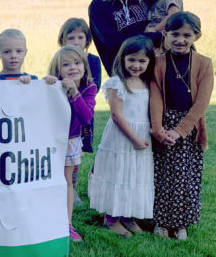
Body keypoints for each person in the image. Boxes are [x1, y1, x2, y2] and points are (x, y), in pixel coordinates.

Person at [149, 12, 213, 240]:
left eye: (187, 35)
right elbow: (155, 96)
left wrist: (181, 130)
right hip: (164, 126)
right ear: (166, 34)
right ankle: (161, 221)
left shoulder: (204, 63)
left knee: (185, 177)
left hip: (189, 127)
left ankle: (180, 224)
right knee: (162, 176)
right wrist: (158, 128)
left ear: (197, 36)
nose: (180, 40)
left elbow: (202, 102)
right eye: (175, 34)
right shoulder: (158, 63)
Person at [88, 36, 156, 238]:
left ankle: (127, 214)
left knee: (134, 174)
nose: (136, 65)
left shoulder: (147, 83)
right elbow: (116, 115)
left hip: (142, 136)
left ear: (149, 62)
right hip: (122, 137)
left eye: (142, 61)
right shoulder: (117, 83)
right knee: (118, 174)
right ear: (122, 59)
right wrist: (134, 139)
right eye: (131, 59)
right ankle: (111, 218)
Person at [47, 45, 97, 242]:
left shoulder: (89, 88)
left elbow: (86, 117)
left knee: (67, 181)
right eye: (66, 65)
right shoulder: (53, 86)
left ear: (84, 66)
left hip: (71, 140)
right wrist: (48, 85)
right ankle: (48, 219)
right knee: (48, 179)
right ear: (57, 70)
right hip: (50, 140)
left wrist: (74, 91)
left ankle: (67, 223)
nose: (73, 67)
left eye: (77, 63)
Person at [89, 0, 161, 76]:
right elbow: (115, 43)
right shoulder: (99, 6)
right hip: (122, 75)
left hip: (152, 71)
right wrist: (154, 37)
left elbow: (170, 25)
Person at [57, 18, 101, 206]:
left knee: (75, 154)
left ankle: (72, 189)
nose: (76, 42)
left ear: (87, 40)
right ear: (63, 40)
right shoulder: (60, 60)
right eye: (71, 38)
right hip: (61, 124)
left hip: (82, 113)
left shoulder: (92, 61)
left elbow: (95, 86)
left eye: (80, 37)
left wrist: (75, 89)